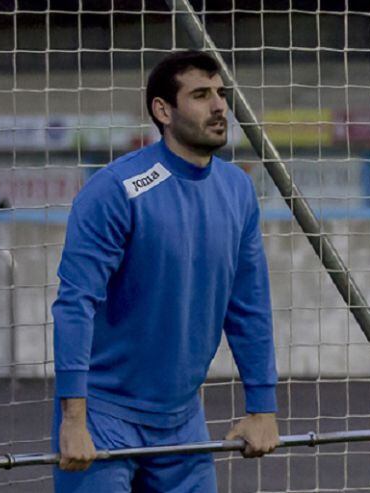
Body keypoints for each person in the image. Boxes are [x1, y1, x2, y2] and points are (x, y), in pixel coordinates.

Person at [51, 50, 279, 492]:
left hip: (182, 420)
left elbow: (249, 305)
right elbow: (75, 304)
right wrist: (73, 419)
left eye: (220, 94)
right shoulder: (116, 190)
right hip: (104, 416)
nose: (219, 106)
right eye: (200, 95)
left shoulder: (237, 190)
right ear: (163, 110)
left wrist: (262, 410)